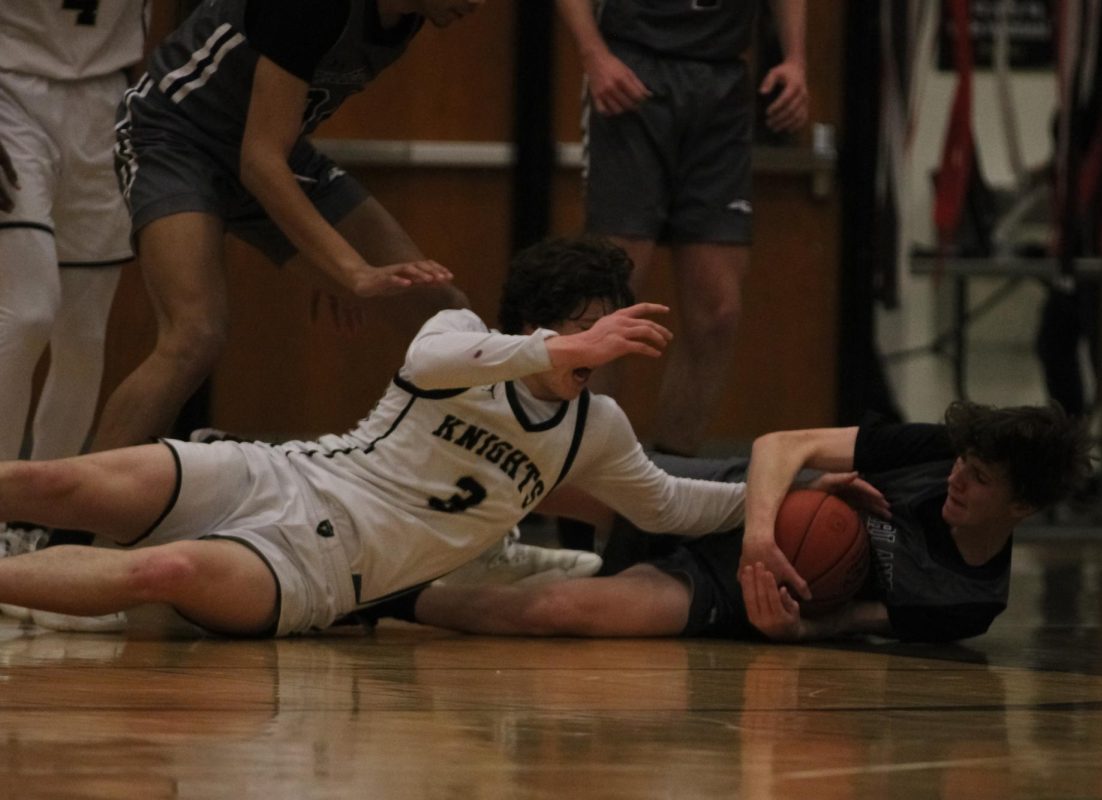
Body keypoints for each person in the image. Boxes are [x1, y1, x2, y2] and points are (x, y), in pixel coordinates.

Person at [0, 237, 745, 637]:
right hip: (275, 475)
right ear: (530, 326)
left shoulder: (595, 428)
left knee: (158, 575)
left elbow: (671, 508)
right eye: (592, 333)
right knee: (54, 483)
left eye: (610, 336)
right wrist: (562, 349)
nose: (603, 351)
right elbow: (427, 361)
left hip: (324, 572)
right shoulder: (460, 337)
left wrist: (781, 488)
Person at [92, 0, 480, 455]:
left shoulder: (408, 18)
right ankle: (72, 520)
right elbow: (261, 162)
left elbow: (273, 137)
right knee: (195, 335)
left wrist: (328, 251)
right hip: (177, 138)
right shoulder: (310, 7)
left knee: (442, 310)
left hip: (274, 150)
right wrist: (348, 268)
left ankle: (479, 489)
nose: (478, 5)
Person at [407, 401, 1093, 642]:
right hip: (749, 502)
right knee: (551, 480)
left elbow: (848, 625)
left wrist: (792, 630)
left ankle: (390, 599)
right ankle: (379, 508)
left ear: (1022, 507)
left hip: (744, 592)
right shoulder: (934, 451)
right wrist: (763, 531)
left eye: (979, 478)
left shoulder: (968, 602)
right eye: (962, 463)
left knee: (557, 611)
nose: (957, 477)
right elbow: (779, 446)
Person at [555, 0, 810, 457]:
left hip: (722, 79)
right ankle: (586, 480)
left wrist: (795, 59)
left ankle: (673, 480)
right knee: (612, 292)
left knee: (718, 310)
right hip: (633, 68)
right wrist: (593, 53)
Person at [0, 0, 160, 630]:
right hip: (8, 86)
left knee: (84, 329)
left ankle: (44, 534)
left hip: (108, 99)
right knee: (27, 309)